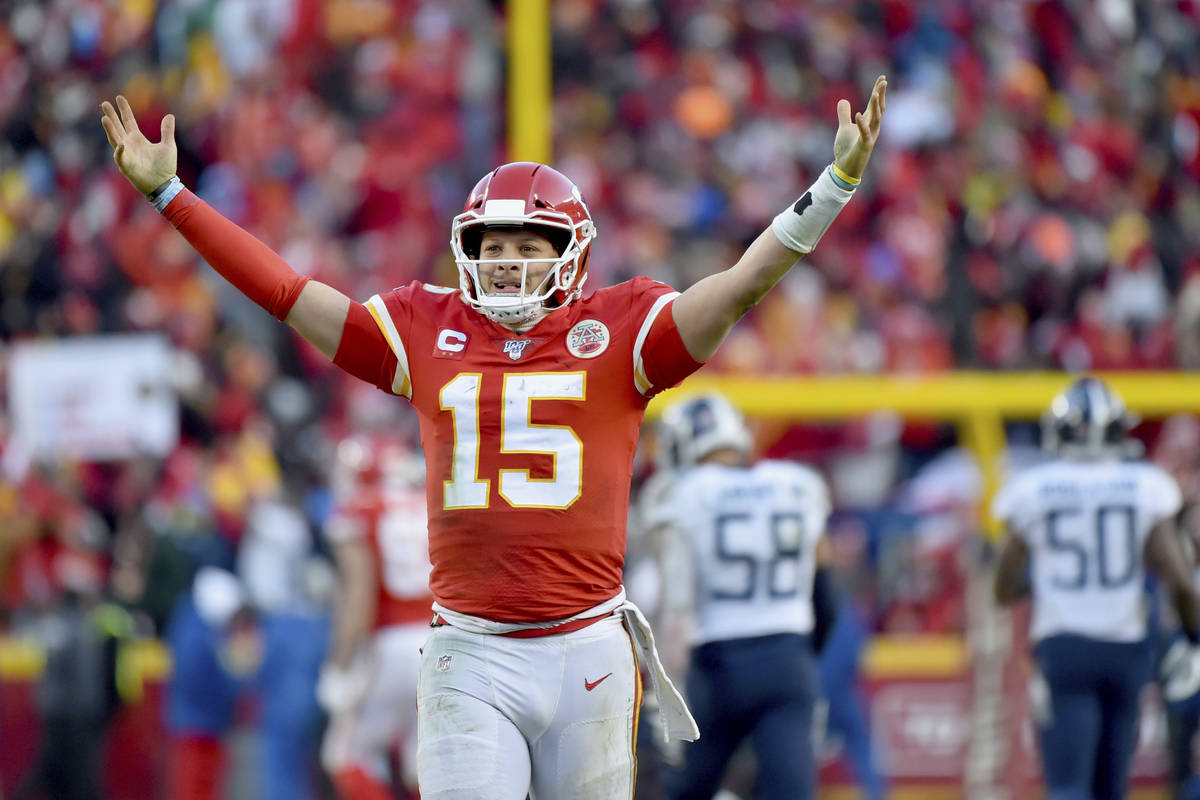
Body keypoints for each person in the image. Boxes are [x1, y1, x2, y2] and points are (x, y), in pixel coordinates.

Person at [98, 72, 887, 799]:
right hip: (470, 649)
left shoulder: (621, 327)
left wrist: (835, 183)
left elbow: (743, 283)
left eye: (526, 246)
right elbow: (285, 291)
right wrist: (171, 194)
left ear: (569, 253)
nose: (506, 263)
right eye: (492, 246)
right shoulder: (424, 325)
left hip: (589, 650)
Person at [992, 377, 1200, 800]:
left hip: (1064, 644)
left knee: (1069, 785)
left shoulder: (1035, 488)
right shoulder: (1146, 486)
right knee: (1111, 789)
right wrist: (1194, 636)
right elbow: (1178, 579)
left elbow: (1004, 587)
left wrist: (1039, 576)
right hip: (1125, 648)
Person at [647, 392, 838, 800]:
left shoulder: (682, 494)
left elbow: (675, 605)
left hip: (718, 664)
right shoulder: (797, 483)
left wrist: (666, 684)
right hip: (788, 658)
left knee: (687, 791)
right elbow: (827, 600)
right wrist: (801, 658)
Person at [318, 433, 432, 800]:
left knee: (345, 756)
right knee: (425, 763)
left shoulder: (361, 510)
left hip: (389, 644)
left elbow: (358, 597)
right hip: (436, 641)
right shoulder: (426, 503)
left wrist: (339, 663)